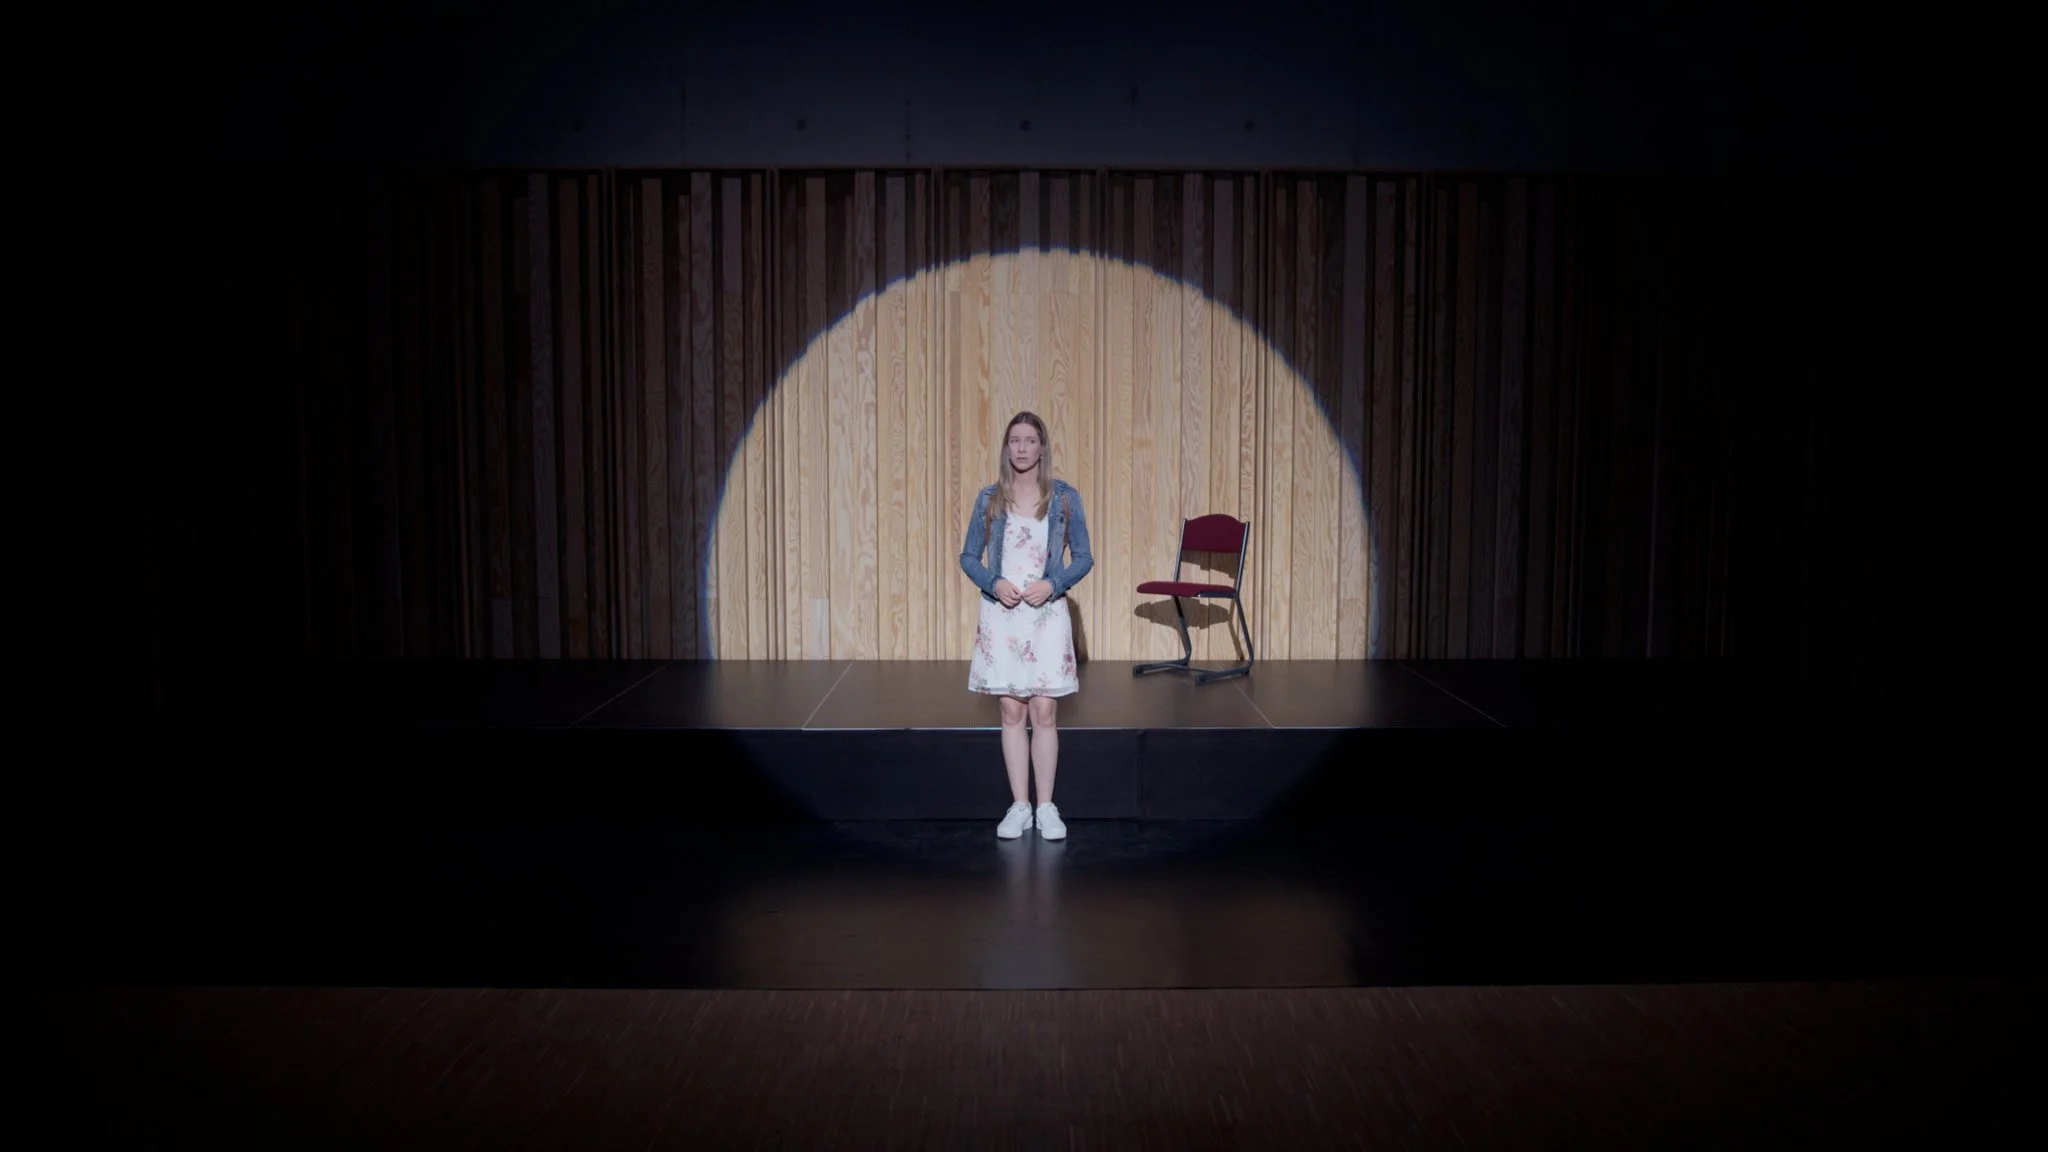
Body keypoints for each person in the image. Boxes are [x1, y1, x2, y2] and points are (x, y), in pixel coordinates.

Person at [959, 411, 1093, 840]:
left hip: (1046, 613)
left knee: (1044, 711)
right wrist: (992, 582)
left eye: (1029, 440)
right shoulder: (989, 498)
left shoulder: (1065, 498)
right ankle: (1019, 805)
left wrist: (1052, 585)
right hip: (1002, 616)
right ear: (1006, 447)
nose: (1021, 447)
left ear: (1041, 447)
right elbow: (968, 557)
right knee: (1011, 711)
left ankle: (1047, 807)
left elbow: (1084, 557)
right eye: (1014, 440)